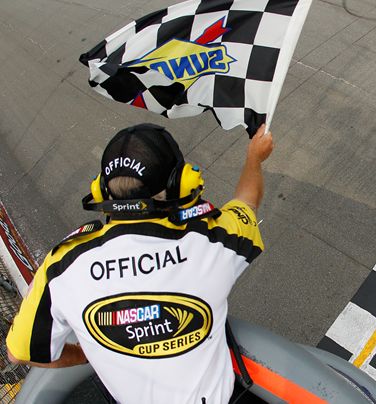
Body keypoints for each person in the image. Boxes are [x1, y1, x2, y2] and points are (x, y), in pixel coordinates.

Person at [6, 122, 274, 404]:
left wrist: (84, 355)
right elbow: (248, 200)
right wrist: (254, 158)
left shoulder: (61, 266)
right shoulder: (214, 241)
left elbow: (19, 352)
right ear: (181, 182)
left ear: (100, 191)